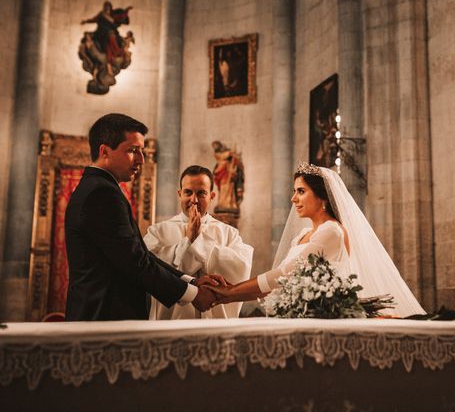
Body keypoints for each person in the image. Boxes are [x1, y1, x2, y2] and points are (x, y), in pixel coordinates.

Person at [210, 162, 426, 318]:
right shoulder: (300, 237)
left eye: (301, 191)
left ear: (322, 196)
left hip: (326, 319)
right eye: (294, 191)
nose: (293, 198)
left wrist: (230, 293)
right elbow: (280, 281)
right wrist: (230, 294)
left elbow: (283, 276)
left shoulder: (331, 232)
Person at [65, 113, 219, 321]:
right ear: (105, 151)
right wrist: (193, 295)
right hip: (103, 316)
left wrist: (191, 283)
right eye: (133, 151)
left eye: (142, 151)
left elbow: (140, 255)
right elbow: (135, 262)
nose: (141, 159)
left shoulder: (97, 187)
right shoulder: (102, 193)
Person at [144, 165, 253, 319]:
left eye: (201, 193)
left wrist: (199, 241)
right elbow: (149, 269)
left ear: (212, 196)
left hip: (215, 321)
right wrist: (188, 241)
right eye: (188, 192)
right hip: (171, 322)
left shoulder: (229, 233)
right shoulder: (157, 231)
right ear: (179, 193)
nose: (194, 200)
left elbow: (240, 268)